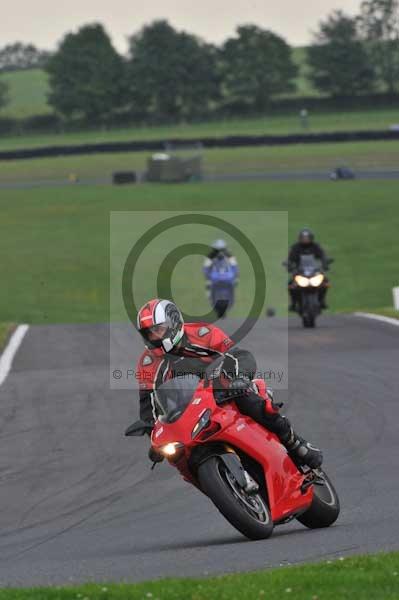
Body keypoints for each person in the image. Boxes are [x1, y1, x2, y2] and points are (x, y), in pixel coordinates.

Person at [135, 298, 323, 469]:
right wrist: (153, 433)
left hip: (224, 389)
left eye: (158, 329)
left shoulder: (202, 333)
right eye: (149, 333)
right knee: (178, 457)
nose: (155, 336)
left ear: (173, 322)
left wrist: (239, 377)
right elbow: (149, 403)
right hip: (189, 410)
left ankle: (296, 444)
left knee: (252, 403)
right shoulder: (148, 363)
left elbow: (239, 355)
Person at [287, 229, 329, 311]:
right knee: (291, 284)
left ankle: (322, 300)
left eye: (307, 238)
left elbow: (322, 256)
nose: (305, 240)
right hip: (300, 271)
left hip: (314, 271)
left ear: (311, 238)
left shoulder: (316, 246)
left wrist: (325, 263)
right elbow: (290, 259)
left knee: (325, 282)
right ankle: (293, 303)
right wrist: (289, 265)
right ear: (300, 238)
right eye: (303, 238)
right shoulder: (295, 247)